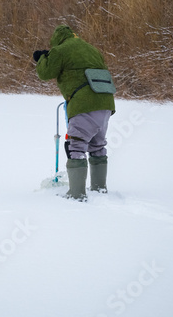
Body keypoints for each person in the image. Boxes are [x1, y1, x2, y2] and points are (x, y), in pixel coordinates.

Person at [33, 25, 115, 201]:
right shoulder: (91, 49)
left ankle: (77, 194)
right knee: (97, 146)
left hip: (83, 104)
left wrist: (41, 58)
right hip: (106, 103)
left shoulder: (60, 50)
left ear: (57, 40)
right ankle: (99, 188)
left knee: (76, 147)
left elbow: (45, 73)